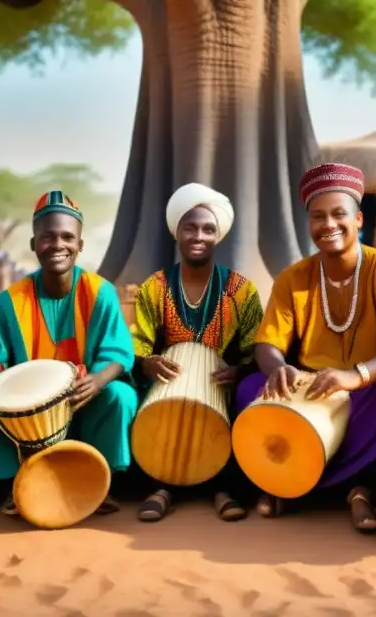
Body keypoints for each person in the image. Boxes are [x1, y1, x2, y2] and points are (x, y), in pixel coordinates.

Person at [236, 163, 376, 532]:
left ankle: (362, 489)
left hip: (366, 390)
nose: (329, 224)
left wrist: (359, 375)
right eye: (318, 216)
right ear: (308, 224)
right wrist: (277, 366)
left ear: (358, 219)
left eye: (339, 214)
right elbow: (267, 343)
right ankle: (282, 481)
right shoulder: (293, 277)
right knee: (248, 389)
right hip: (310, 394)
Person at [0, 190, 136, 516]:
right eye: (47, 237)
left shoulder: (101, 292)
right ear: (33, 244)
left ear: (80, 245)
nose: (57, 245)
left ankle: (100, 479)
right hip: (27, 418)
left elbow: (118, 352)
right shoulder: (10, 301)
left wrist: (98, 380)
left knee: (120, 395)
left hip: (82, 403)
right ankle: (16, 483)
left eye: (67, 237)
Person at [131, 183, 264, 523]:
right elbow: (139, 342)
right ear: (177, 231)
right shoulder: (155, 287)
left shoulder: (241, 290)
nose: (198, 236)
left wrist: (239, 371)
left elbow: (255, 348)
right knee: (146, 405)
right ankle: (161, 486)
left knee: (247, 398)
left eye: (208, 229)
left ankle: (223, 487)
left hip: (218, 383)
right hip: (168, 383)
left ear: (218, 236)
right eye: (189, 227)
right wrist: (146, 363)